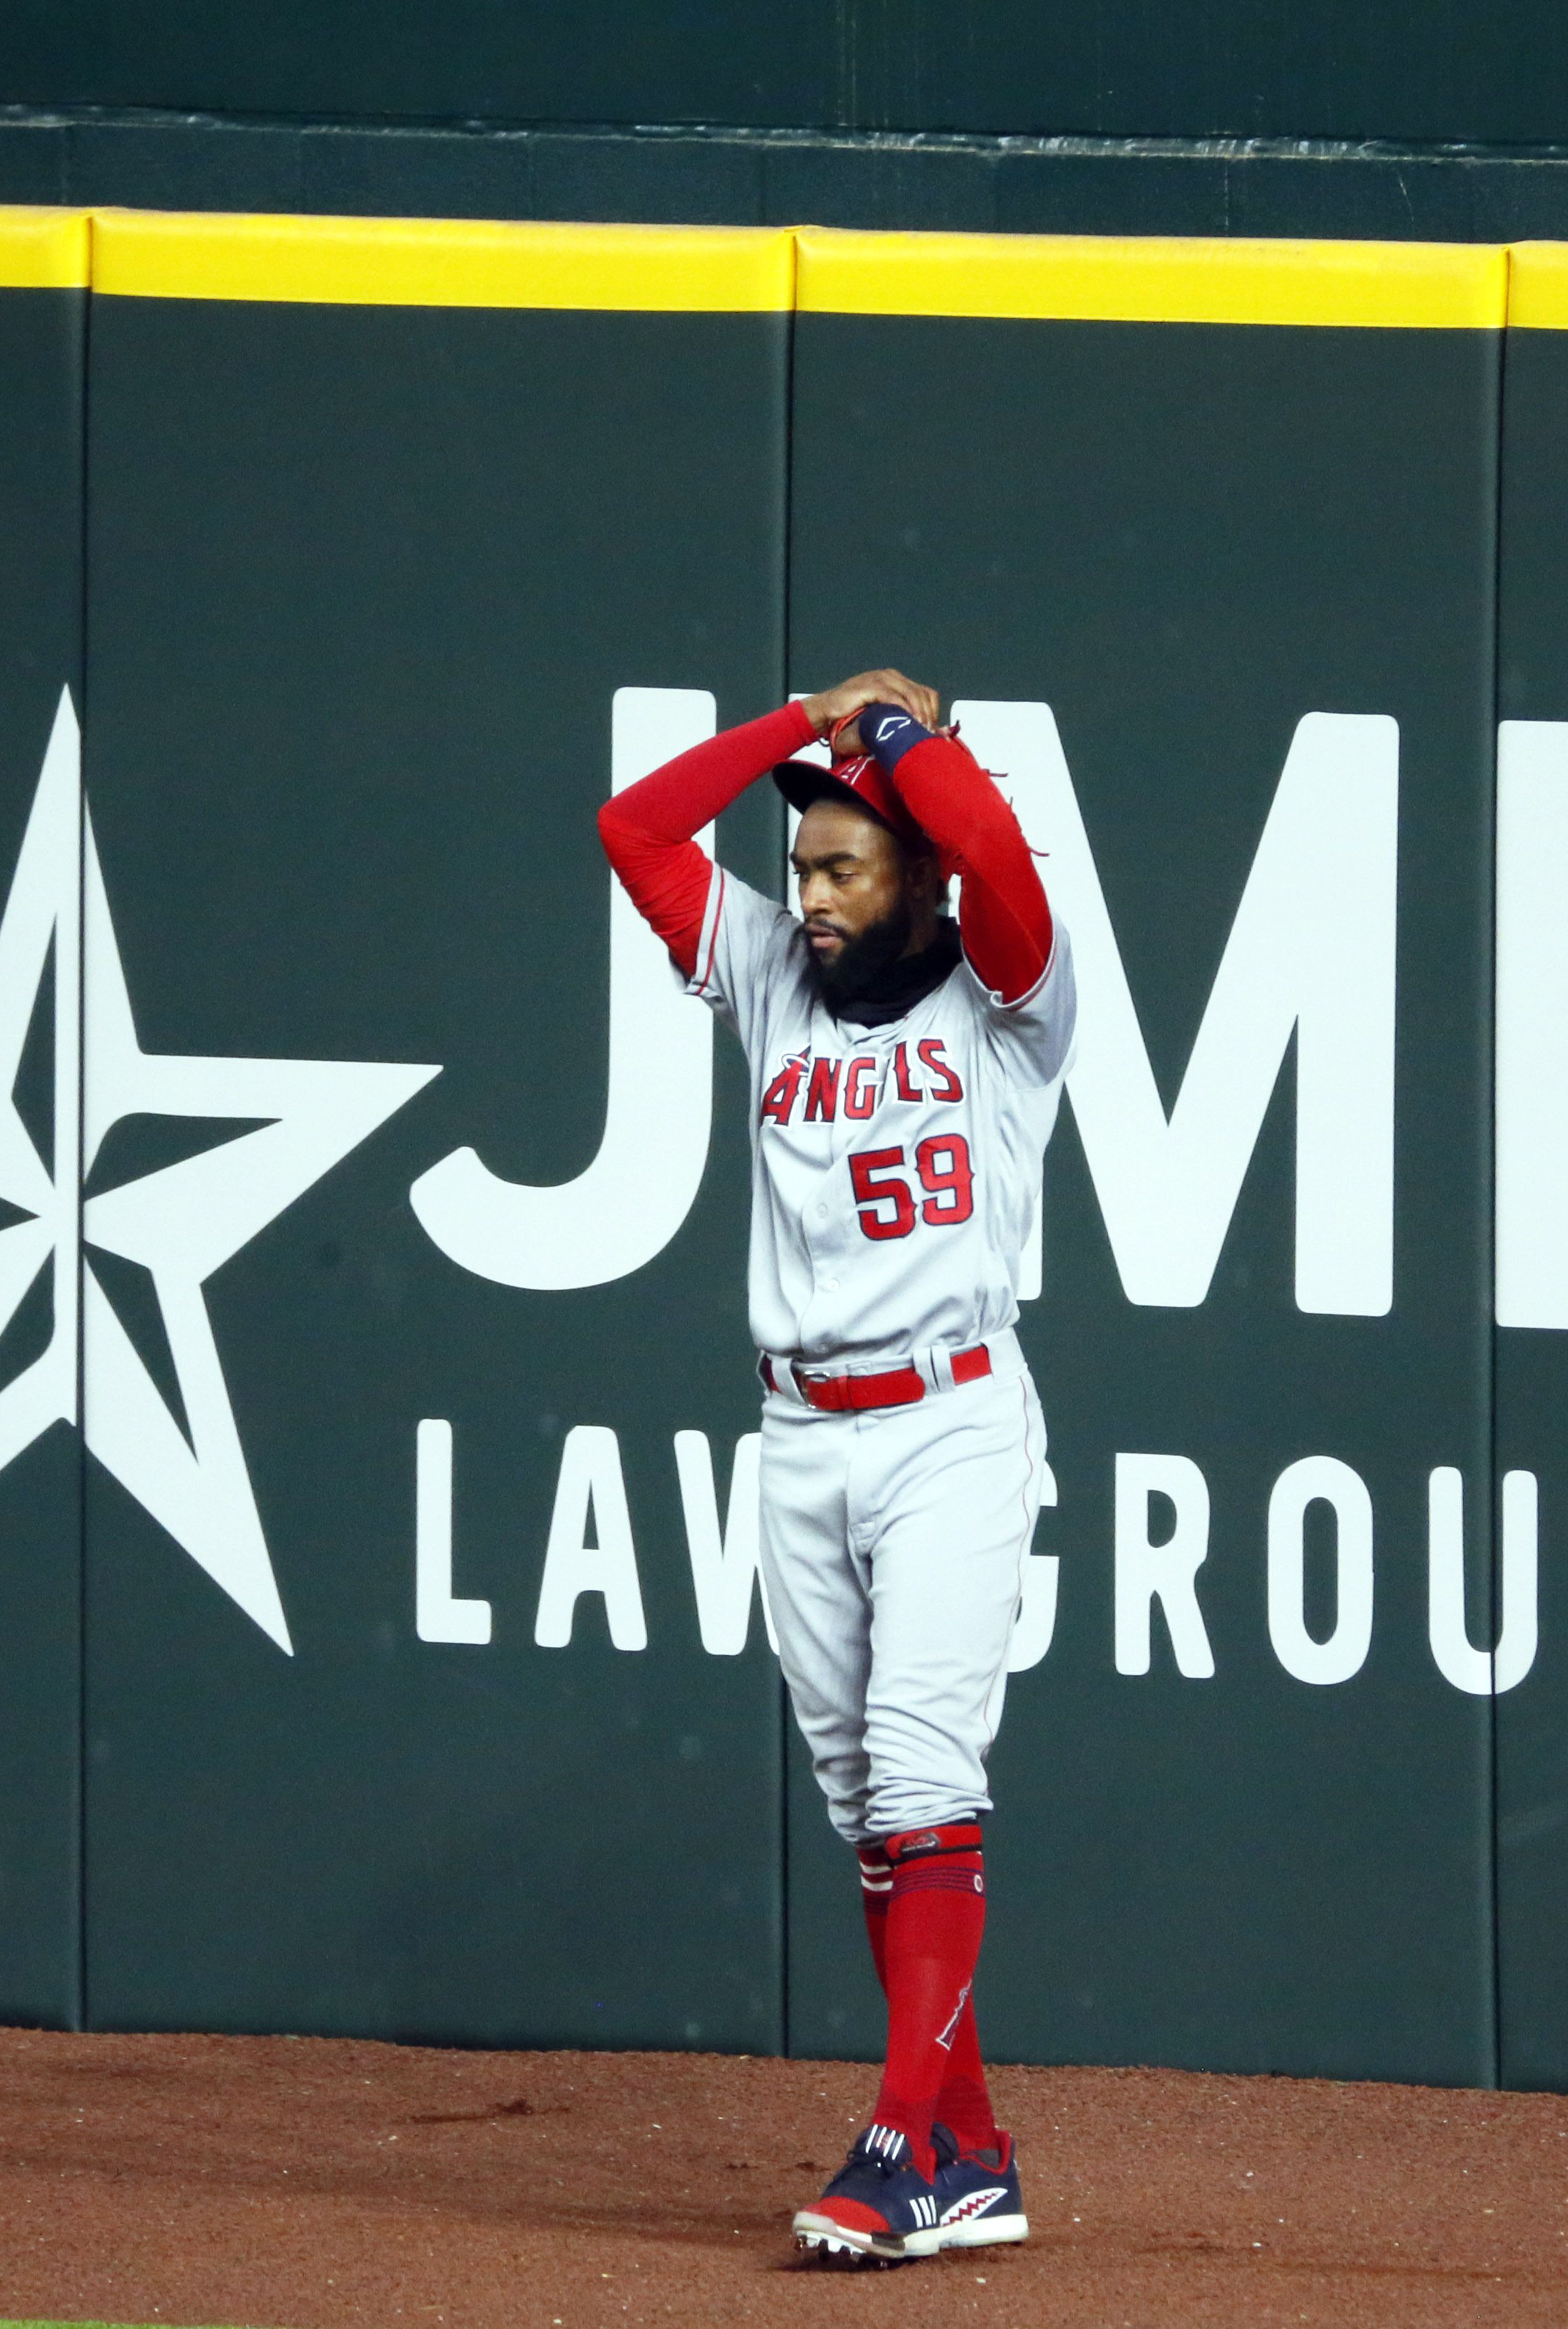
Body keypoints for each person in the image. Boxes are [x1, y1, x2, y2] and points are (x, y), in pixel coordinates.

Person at [597, 668, 1075, 2265]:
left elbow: (996, 859)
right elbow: (634, 825)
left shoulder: (1009, 995)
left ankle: (895, 2145)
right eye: (797, 867)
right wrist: (802, 727)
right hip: (799, 1428)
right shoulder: (762, 972)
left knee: (927, 1776)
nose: (803, 895)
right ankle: (971, 2150)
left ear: (912, 873)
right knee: (868, 1806)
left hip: (948, 1417)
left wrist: (893, 740)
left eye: (839, 866)